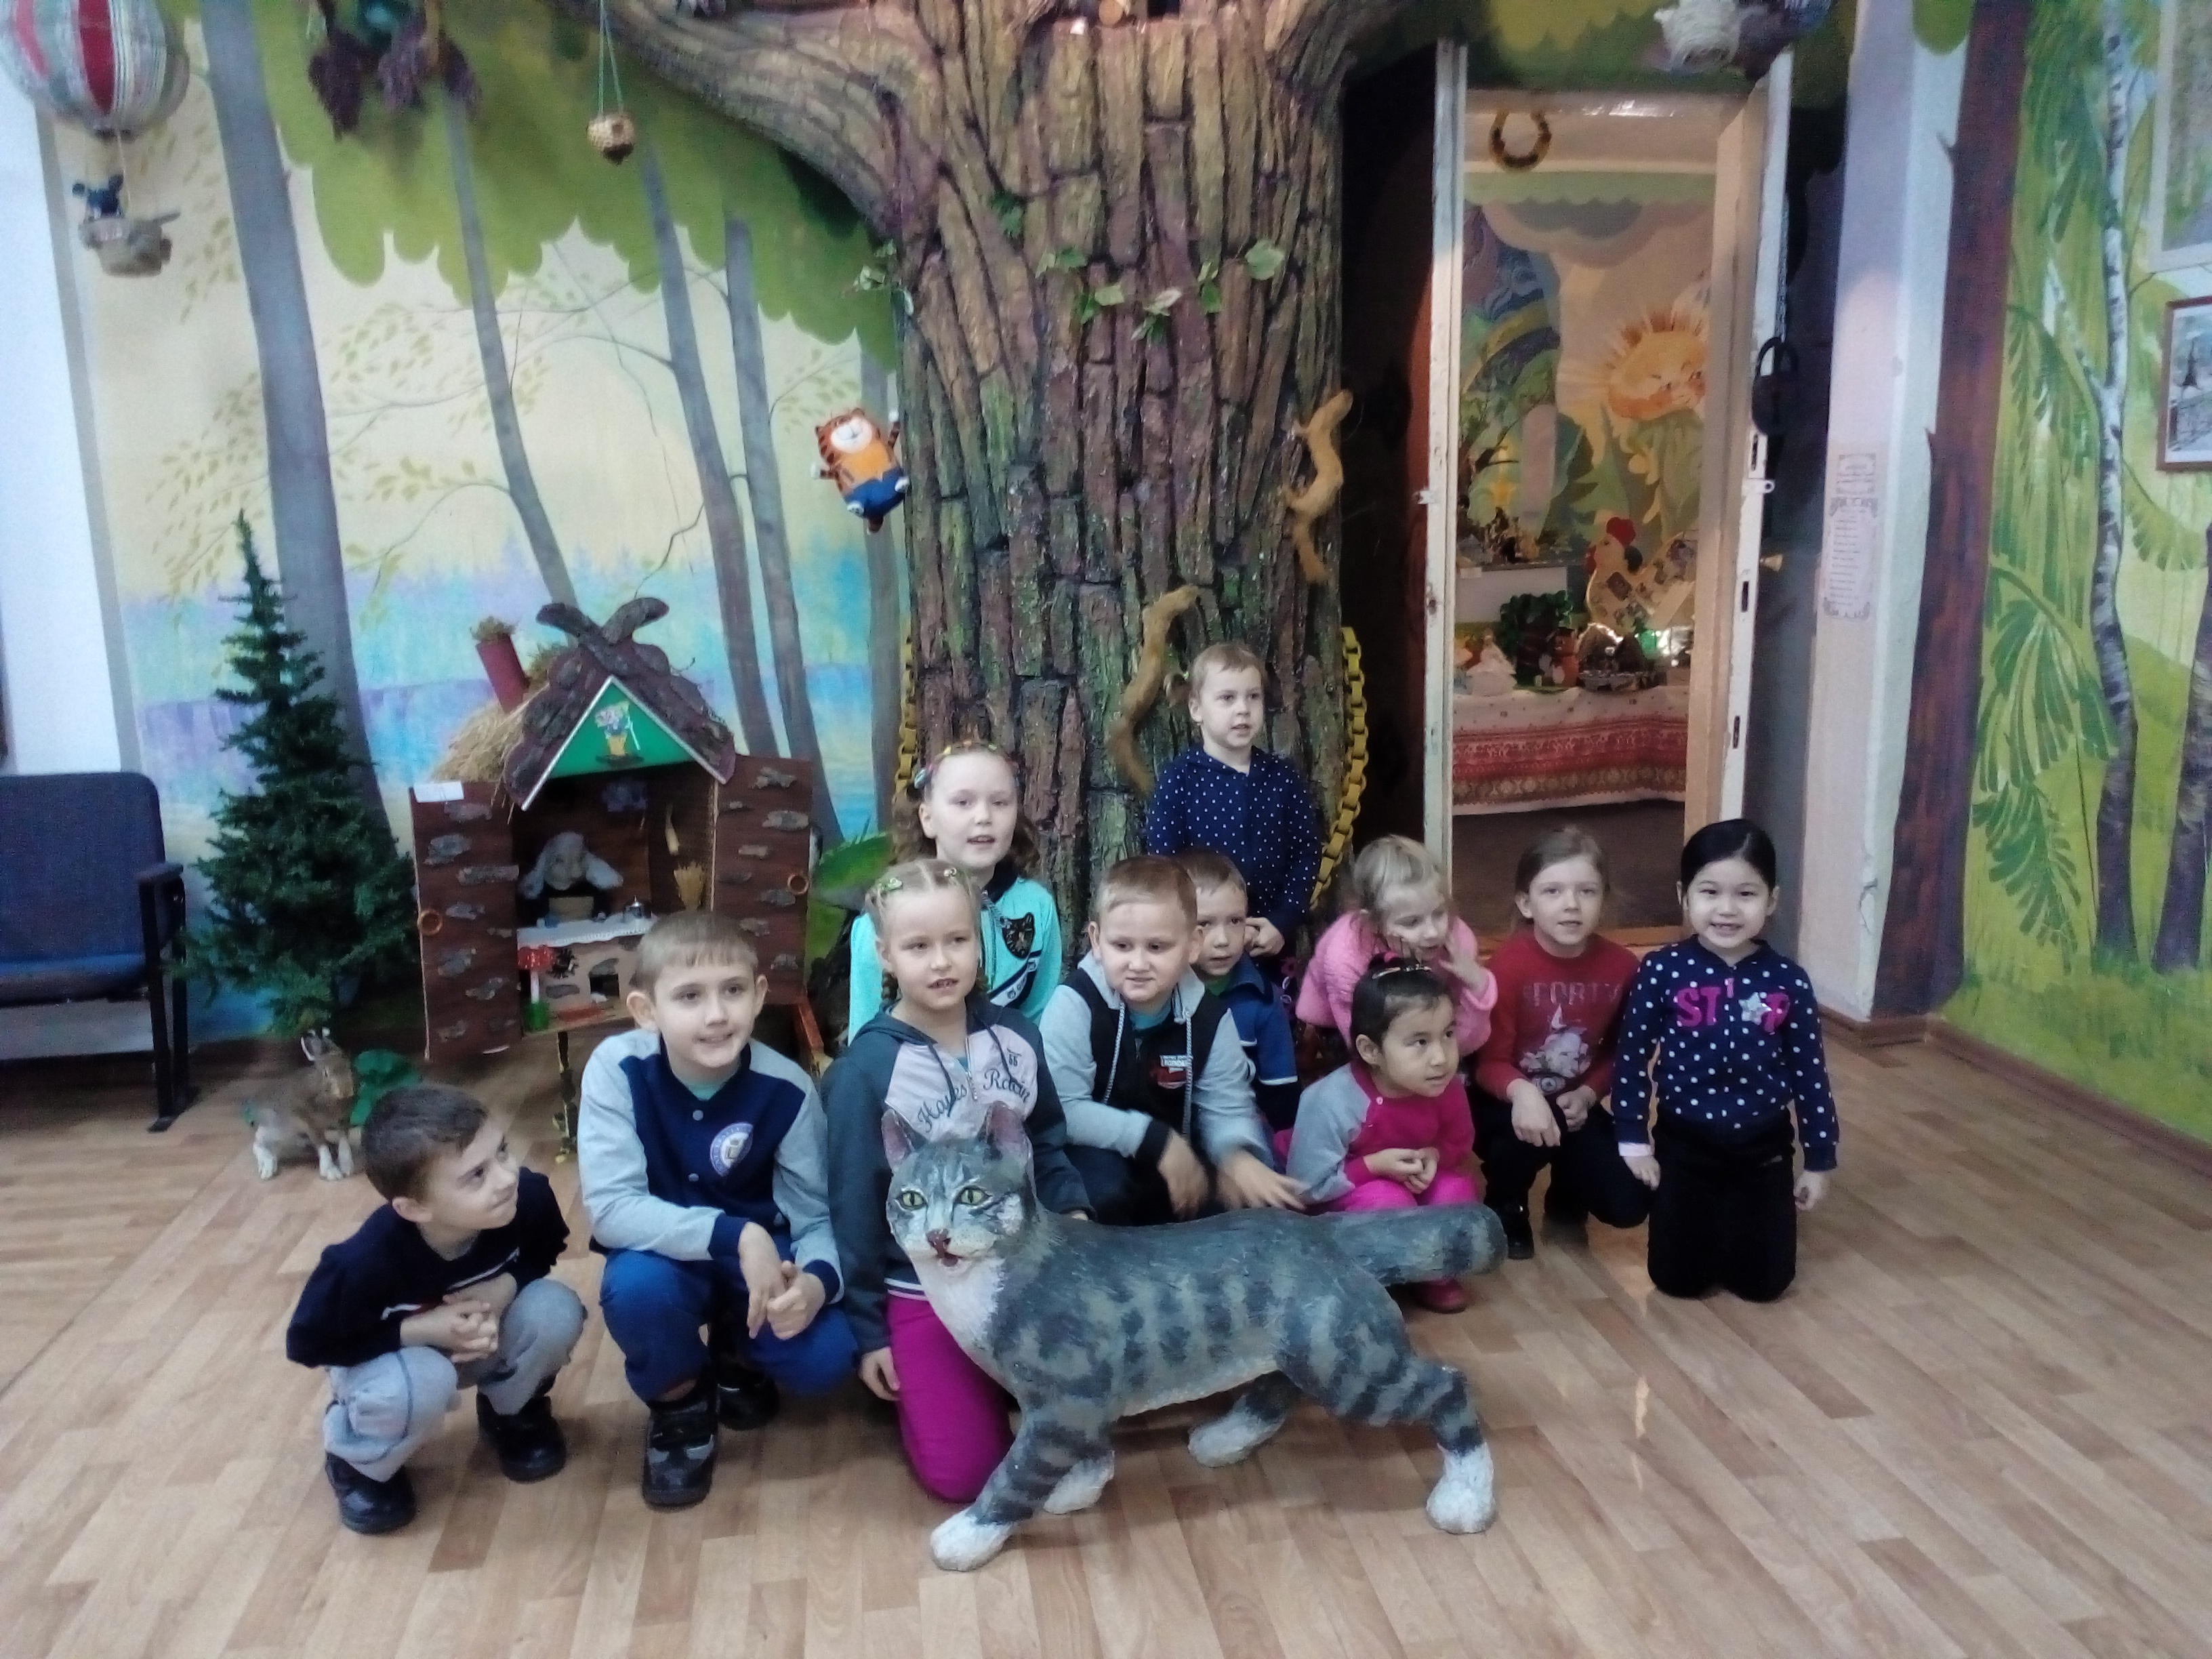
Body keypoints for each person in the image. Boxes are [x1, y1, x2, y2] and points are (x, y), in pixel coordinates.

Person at [823, 858, 1093, 1504]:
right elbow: (854, 1207)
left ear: (980, 940)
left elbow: (1046, 1142)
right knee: (967, 1477)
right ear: (886, 955)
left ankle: (997, 1387)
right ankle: (934, 1397)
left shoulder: (1017, 1037)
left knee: (1086, 1421)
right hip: (924, 1289)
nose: (941, 961)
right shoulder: (865, 1071)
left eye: (957, 940)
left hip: (1026, 1274)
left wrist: (1077, 1222)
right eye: (918, 946)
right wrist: (870, 1333)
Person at [579, 910, 857, 1510]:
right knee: (636, 1291)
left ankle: (737, 1347)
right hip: (663, 1255)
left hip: (763, 1258)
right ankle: (680, 1404)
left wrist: (815, 1283)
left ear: (758, 996)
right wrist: (737, 1235)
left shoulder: (788, 1089)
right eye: (689, 996)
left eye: (732, 991)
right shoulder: (616, 1071)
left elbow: (815, 1217)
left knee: (829, 1356)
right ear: (645, 1009)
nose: (716, 1015)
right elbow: (612, 1210)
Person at [285, 1085, 586, 1534]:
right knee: (423, 1382)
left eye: (502, 1152)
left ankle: (513, 1412)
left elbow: (545, 1249)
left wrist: (505, 1287)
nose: (507, 1177)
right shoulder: (361, 1265)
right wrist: (419, 1330)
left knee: (555, 1310)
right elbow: (309, 1344)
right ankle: (360, 1461)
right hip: (393, 1360)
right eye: (476, 1175)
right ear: (414, 1208)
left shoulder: (528, 1198)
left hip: (479, 1340)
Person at [1612, 819, 1839, 1303]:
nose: (1727, 909)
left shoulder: (1789, 980)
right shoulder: (1661, 969)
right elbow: (1632, 1057)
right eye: (1710, 892)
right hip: (1684, 1142)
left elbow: (1810, 1075)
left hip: (1762, 1147)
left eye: (1746, 894)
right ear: (1685, 896)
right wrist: (1633, 1139)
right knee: (1677, 1281)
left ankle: (1742, 1226)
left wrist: (1819, 1159)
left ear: (1772, 900)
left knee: (1766, 1285)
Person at [1040, 855, 1305, 1224]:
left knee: (1242, 1194)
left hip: (1178, 1167)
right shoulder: (1076, 1004)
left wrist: (1236, 1156)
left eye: (1157, 947)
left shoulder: (1210, 1019)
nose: (1138, 964)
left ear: (1193, 944)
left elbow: (1227, 1107)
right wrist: (1153, 1139)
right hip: (1096, 1154)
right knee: (1100, 1189)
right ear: (1097, 941)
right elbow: (1062, 1110)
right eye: (1122, 946)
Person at [1473, 826, 1653, 1259]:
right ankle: (1506, 1200)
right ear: (1526, 903)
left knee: (1629, 1204)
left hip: (1575, 1104)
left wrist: (1589, 1093)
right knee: (1519, 1139)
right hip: (1505, 1102)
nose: (1571, 904)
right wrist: (1523, 1093)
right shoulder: (1507, 966)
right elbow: (1488, 1062)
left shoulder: (1624, 967)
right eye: (1553, 891)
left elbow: (1625, 1053)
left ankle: (1568, 1191)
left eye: (1586, 891)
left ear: (1603, 899)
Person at [1286, 963, 1480, 1312]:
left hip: (1409, 1186)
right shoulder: (1331, 1101)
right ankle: (1373, 1278)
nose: (1441, 1058)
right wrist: (1374, 1166)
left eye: (1448, 1034)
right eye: (1420, 1042)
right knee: (1387, 1200)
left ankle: (1433, 1275)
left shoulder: (1447, 1087)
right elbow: (1307, 1187)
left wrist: (1435, 1156)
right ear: (1370, 1050)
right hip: (1339, 1191)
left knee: (1456, 1191)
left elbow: (1459, 1142)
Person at [846, 740, 1063, 1031]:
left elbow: (1041, 1020)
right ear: (928, 818)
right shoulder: (884, 918)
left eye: (1000, 803)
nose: (984, 817)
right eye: (963, 803)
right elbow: (866, 1036)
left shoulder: (1037, 906)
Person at [1142, 642, 1322, 960]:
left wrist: (1283, 921)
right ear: (1196, 709)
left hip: (1269, 941)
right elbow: (1164, 863)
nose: (1243, 709)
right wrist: (1191, 927)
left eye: (1253, 696)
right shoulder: (1180, 780)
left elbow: (1305, 852)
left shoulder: (1282, 778)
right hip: (1201, 942)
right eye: (1227, 698)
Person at [1298, 834, 1497, 1055]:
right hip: (1341, 1022)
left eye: (1439, 913)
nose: (1433, 932)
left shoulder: (1458, 943)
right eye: (1412, 922)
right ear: (1374, 924)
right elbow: (1367, 1053)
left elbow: (1460, 1046)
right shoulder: (1345, 958)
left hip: (1424, 1020)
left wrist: (1478, 986)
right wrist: (1407, 973)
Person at [1180, 850, 1300, 1132]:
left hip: (1239, 1127)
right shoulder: (1157, 994)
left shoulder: (1262, 999)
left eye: (1235, 921)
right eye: (1204, 924)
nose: (1223, 940)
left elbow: (1281, 1094)